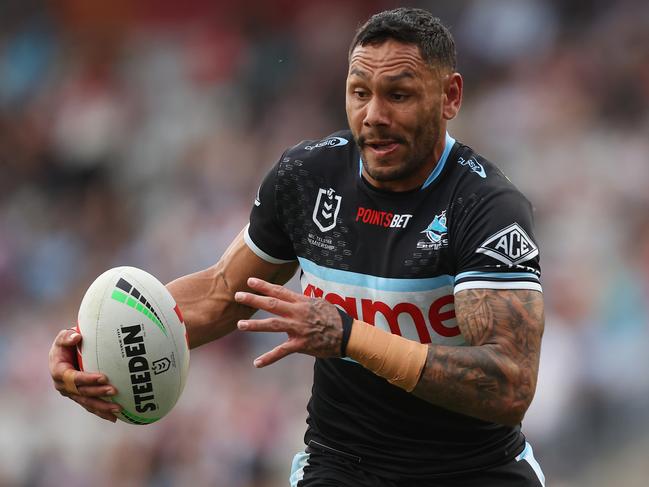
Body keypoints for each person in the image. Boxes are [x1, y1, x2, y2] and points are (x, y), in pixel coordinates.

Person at [49, 8, 545, 487]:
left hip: (473, 470)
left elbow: (508, 385)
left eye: (398, 94)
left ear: (449, 96)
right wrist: (91, 348)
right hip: (343, 464)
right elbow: (223, 294)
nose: (373, 115)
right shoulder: (308, 178)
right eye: (359, 92)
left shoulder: (485, 208)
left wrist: (350, 336)